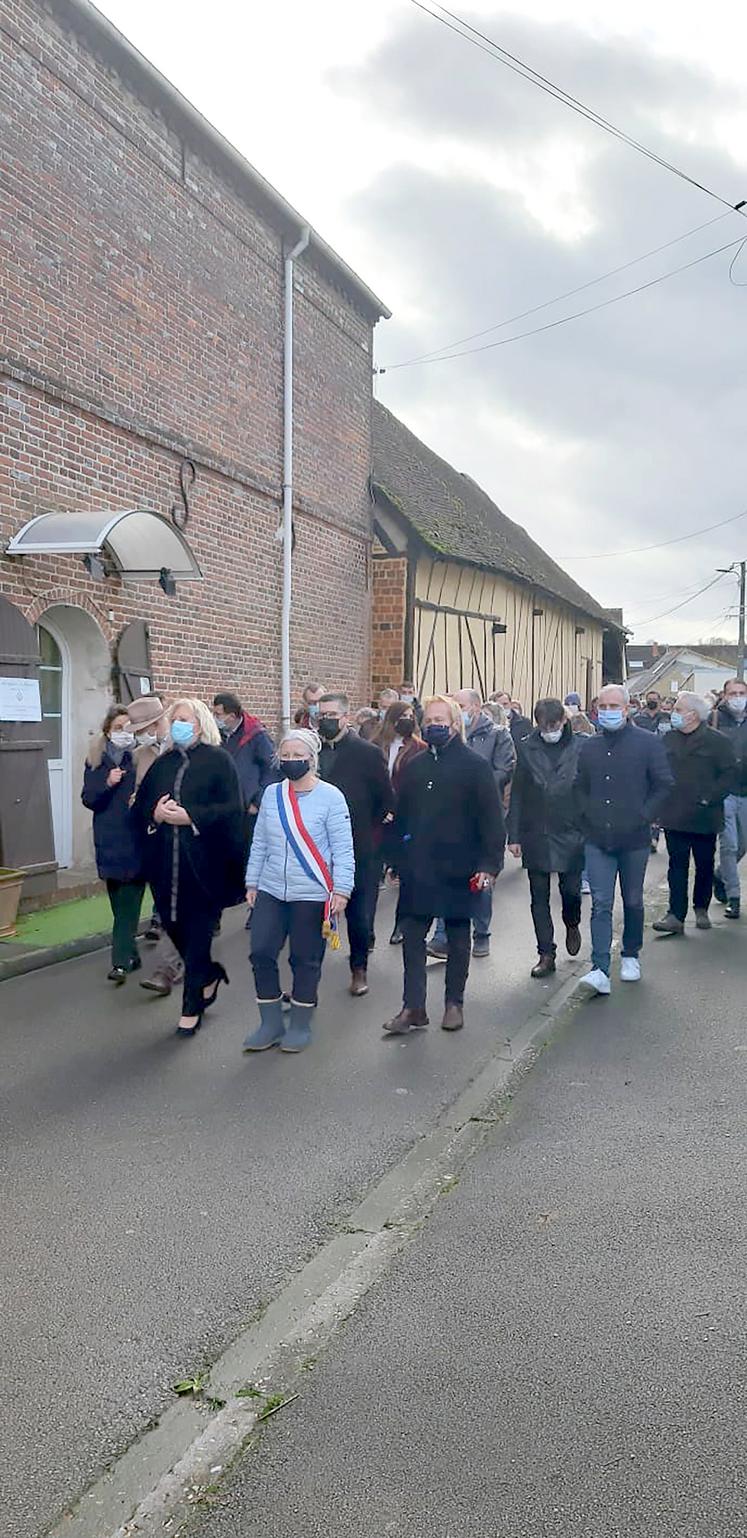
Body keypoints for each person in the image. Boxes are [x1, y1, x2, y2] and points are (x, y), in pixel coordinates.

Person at [383, 695, 505, 1035]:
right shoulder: (415, 766)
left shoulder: (475, 767)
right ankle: (414, 1006)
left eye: (442, 719)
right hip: (418, 867)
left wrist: (489, 865)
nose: (435, 724)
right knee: (412, 937)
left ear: (455, 724)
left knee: (457, 936)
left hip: (460, 865)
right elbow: (401, 816)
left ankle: (454, 1003)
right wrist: (395, 858)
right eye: (430, 719)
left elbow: (492, 821)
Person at [133, 699, 245, 1036]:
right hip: (164, 866)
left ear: (201, 724)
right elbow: (139, 808)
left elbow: (231, 809)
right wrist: (155, 814)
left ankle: (191, 1006)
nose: (180, 724)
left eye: (186, 719)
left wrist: (192, 816)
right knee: (174, 928)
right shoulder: (163, 763)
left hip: (204, 867)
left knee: (198, 934)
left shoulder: (218, 760)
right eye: (175, 719)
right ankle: (209, 975)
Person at [243, 728, 355, 1054]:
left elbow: (343, 849)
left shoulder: (331, 797)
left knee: (304, 959)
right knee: (261, 951)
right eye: (286, 755)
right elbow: (260, 841)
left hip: (312, 892)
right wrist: (253, 881)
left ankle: (301, 1025)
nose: (291, 761)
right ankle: (271, 1023)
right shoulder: (272, 795)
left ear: (312, 758)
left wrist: (342, 890)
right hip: (271, 889)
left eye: (298, 755)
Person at [574, 683, 673, 994]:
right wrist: (584, 813)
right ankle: (600, 967)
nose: (607, 712)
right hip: (597, 837)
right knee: (600, 903)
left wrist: (644, 815)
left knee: (632, 899)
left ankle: (631, 953)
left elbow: (664, 784)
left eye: (613, 706)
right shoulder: (589, 746)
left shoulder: (647, 744)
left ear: (627, 708)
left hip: (633, 838)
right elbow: (579, 785)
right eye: (602, 707)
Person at [426, 688, 516, 959]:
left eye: (461, 704)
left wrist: (478, 783)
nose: (458, 709)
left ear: (475, 708)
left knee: (480, 882)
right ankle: (441, 936)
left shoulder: (498, 735)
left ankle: (482, 933)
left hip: (483, 818)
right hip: (449, 820)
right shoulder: (448, 740)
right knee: (444, 878)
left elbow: (504, 769)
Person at [317, 692, 394, 995]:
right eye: (321, 713)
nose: (325, 719)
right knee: (311, 913)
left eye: (331, 714)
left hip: (358, 845)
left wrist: (364, 828)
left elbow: (385, 800)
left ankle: (358, 969)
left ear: (346, 717)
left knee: (358, 913)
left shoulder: (367, 753)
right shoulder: (311, 751)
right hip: (317, 848)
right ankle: (306, 974)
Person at [507, 699, 585, 978]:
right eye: (543, 725)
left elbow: (588, 789)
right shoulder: (527, 748)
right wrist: (513, 835)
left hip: (571, 829)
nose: (549, 730)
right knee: (538, 895)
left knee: (571, 890)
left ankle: (572, 921)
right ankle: (545, 952)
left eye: (553, 725)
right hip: (536, 829)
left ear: (563, 722)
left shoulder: (580, 747)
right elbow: (517, 793)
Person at [651, 693, 735, 937]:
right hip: (675, 814)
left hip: (704, 815)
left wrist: (711, 797)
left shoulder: (717, 742)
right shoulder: (668, 739)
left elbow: (729, 774)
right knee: (676, 865)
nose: (674, 713)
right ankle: (675, 914)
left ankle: (701, 908)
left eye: (678, 709)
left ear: (694, 715)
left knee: (704, 864)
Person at [82, 704, 145, 984]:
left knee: (129, 903)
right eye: (118, 728)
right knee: (118, 903)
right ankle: (131, 953)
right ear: (108, 730)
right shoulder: (96, 759)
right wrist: (107, 782)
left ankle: (119, 963)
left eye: (128, 728)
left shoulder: (141, 758)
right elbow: (89, 799)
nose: (123, 734)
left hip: (135, 839)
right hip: (108, 839)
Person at [129, 695, 185, 998]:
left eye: (146, 728)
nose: (144, 735)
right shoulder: (143, 755)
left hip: (187, 838)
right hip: (157, 838)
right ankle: (184, 965)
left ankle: (168, 969)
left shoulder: (187, 750)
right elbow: (142, 792)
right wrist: (143, 804)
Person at [372, 701, 427, 946]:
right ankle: (365, 930)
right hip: (378, 818)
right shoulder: (375, 746)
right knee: (372, 875)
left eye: (410, 715)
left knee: (405, 874)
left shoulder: (419, 748)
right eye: (402, 715)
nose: (407, 719)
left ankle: (401, 924)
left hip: (405, 817)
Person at [711, 677, 747, 918]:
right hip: (724, 792)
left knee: (743, 845)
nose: (737, 698)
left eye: (741, 693)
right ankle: (734, 897)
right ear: (724, 696)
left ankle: (721, 873)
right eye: (732, 693)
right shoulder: (715, 719)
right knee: (729, 844)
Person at [632, 689, 669, 850]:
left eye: (655, 699)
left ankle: (654, 836)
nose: (652, 702)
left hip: (661, 761)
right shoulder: (638, 718)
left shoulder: (667, 718)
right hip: (641, 762)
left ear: (660, 701)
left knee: (658, 801)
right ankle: (646, 833)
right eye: (649, 699)